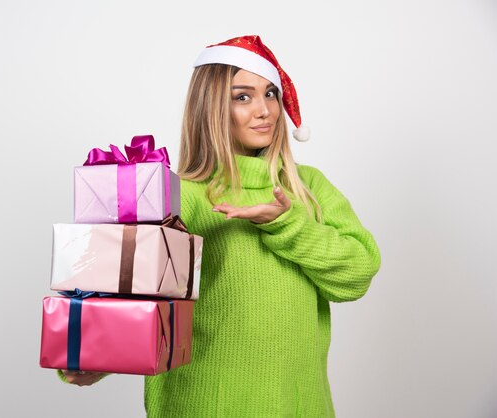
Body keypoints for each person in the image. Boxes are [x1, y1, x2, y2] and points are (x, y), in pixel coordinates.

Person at [63, 35, 381, 418]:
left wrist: (285, 223)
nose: (264, 110)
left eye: (270, 94)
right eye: (242, 97)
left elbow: (356, 276)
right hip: (201, 404)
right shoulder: (184, 197)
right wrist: (92, 358)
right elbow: (130, 290)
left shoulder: (307, 187)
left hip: (298, 405)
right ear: (211, 107)